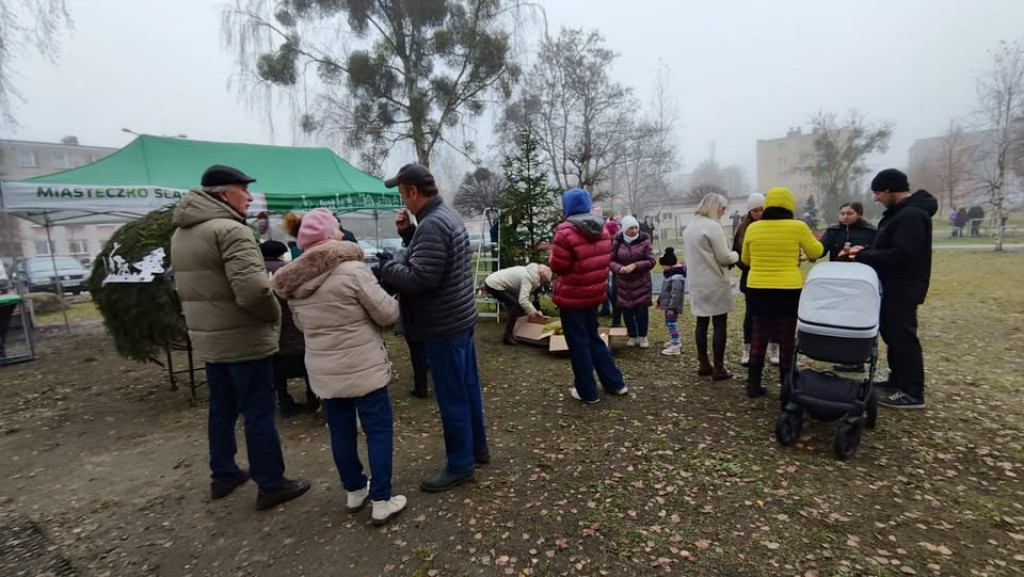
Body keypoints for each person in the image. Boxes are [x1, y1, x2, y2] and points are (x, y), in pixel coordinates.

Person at [170, 164, 309, 510]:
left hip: (210, 340)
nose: (248, 196)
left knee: (221, 409)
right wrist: (274, 316)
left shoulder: (182, 233)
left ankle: (223, 473)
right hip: (244, 340)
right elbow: (252, 292)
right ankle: (271, 483)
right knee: (259, 413)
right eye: (242, 189)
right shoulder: (231, 231)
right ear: (222, 193)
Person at [271, 208, 406, 525]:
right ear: (331, 236)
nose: (343, 233)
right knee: (378, 431)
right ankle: (382, 499)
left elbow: (302, 325)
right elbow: (387, 314)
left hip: (324, 372)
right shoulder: (353, 271)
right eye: (338, 229)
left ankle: (355, 490)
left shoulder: (294, 280)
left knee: (341, 433)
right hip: (365, 369)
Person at [379, 163, 489, 492]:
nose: (403, 202)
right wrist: (408, 235)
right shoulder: (445, 216)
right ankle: (477, 449)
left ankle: (460, 465)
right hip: (460, 319)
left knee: (453, 397)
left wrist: (388, 267)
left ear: (414, 192)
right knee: (467, 389)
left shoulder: (432, 225)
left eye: (402, 195)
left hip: (443, 325)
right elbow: (434, 258)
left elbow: (420, 278)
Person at [851, 169, 937, 409]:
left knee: (903, 338)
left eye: (878, 193)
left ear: (889, 190)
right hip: (891, 285)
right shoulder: (899, 215)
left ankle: (912, 392)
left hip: (903, 287)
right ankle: (897, 379)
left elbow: (903, 254)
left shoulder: (911, 216)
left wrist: (866, 255)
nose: (876, 198)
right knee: (892, 335)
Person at [741, 187, 824, 398]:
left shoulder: (754, 228)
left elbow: (746, 260)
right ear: (789, 205)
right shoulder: (798, 226)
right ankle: (786, 384)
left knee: (759, 335)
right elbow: (816, 251)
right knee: (786, 337)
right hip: (788, 289)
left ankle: (753, 384)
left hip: (758, 288)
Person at [549, 188, 629, 403]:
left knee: (578, 344)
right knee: (593, 338)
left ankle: (587, 391)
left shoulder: (564, 232)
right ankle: (615, 383)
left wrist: (552, 257)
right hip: (594, 295)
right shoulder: (602, 229)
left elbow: (560, 266)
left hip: (572, 297)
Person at [682, 193, 739, 381]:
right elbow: (724, 257)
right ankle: (719, 368)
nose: (723, 213)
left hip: (696, 282)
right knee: (719, 324)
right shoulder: (713, 226)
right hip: (715, 282)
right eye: (722, 209)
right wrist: (736, 255)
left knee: (701, 323)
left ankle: (703, 363)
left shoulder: (690, 226)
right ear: (716, 207)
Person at [816, 202, 878, 371]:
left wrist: (860, 254)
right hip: (838, 278)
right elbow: (821, 248)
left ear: (859, 213)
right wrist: (810, 252)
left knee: (858, 318)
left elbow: (876, 253)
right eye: (842, 213)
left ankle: (859, 358)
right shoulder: (833, 230)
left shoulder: (870, 232)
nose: (845, 216)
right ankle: (841, 354)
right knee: (839, 317)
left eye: (849, 213)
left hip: (861, 280)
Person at [261, 240, 311, 417]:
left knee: (276, 370)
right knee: (306, 366)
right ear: (281, 253)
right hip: (295, 328)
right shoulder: (289, 270)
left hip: (270, 333)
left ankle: (284, 402)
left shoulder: (255, 273)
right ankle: (312, 399)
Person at [732, 192, 770, 367]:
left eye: (762, 209)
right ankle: (747, 347)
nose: (759, 213)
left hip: (770, 276)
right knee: (750, 314)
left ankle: (773, 346)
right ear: (750, 212)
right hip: (750, 276)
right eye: (755, 210)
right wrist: (746, 266)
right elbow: (736, 254)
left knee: (772, 313)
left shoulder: (772, 226)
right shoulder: (742, 228)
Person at [610, 215, 656, 348]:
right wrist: (620, 268)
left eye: (636, 227)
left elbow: (651, 261)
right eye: (631, 228)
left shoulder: (645, 241)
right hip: (624, 283)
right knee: (627, 311)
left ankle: (642, 336)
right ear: (624, 229)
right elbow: (610, 261)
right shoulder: (617, 242)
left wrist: (635, 265)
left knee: (642, 311)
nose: (635, 230)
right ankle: (632, 335)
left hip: (641, 282)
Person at [484, 263, 552, 345]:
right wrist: (534, 312)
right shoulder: (528, 278)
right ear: (541, 277)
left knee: (516, 306)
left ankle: (517, 332)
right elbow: (523, 300)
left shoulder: (529, 272)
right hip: (494, 284)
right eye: (544, 281)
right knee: (514, 306)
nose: (542, 283)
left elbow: (521, 297)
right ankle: (507, 336)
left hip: (493, 281)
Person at [655, 248, 686, 356]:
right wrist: (660, 301)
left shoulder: (676, 277)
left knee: (672, 323)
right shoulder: (669, 275)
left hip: (672, 307)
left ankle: (675, 344)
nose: (662, 268)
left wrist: (672, 308)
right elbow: (665, 290)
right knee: (669, 323)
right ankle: (674, 340)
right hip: (668, 305)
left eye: (663, 265)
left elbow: (676, 294)